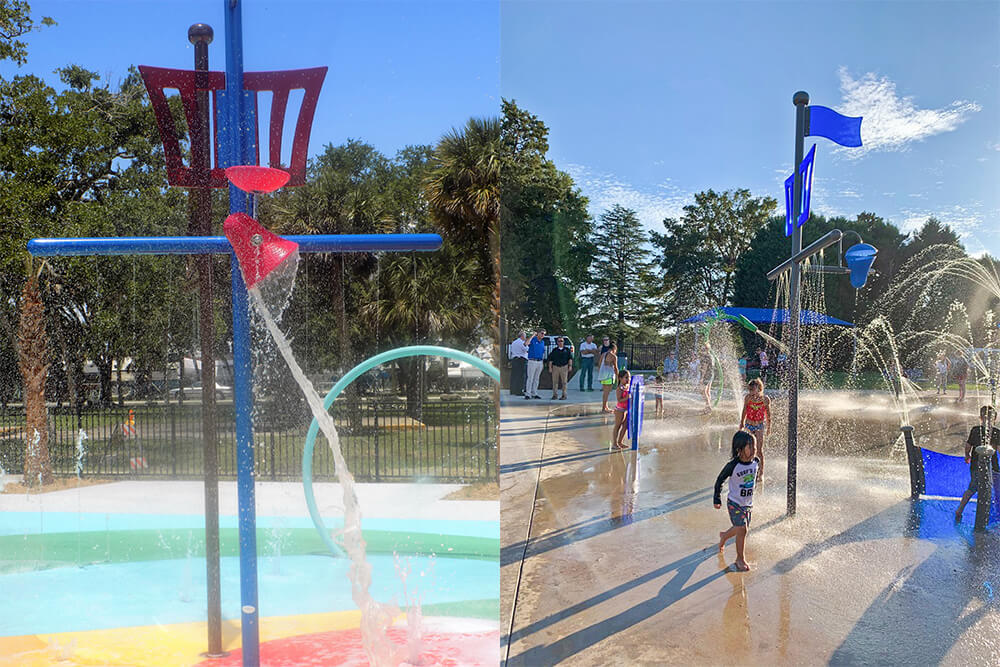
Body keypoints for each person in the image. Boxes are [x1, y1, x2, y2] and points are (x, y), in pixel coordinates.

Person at [714, 431, 759, 572]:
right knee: (742, 529)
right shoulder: (733, 466)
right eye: (749, 447)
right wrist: (717, 498)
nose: (753, 450)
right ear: (739, 450)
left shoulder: (756, 462)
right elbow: (719, 480)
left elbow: (754, 477)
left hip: (747, 504)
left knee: (740, 529)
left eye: (754, 447)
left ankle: (724, 537)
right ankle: (739, 559)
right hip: (734, 502)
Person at [955, 405, 1000, 521]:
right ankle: (994, 513)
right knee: (995, 488)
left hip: (976, 465)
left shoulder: (975, 430)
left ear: (980, 418)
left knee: (972, 488)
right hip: (992, 467)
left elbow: (968, 446)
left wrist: (967, 456)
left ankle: (960, 510)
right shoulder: (996, 432)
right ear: (995, 418)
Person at [738, 378, 771, 480]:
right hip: (748, 425)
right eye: (750, 390)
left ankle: (761, 473)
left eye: (753, 390)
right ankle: (746, 470)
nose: (752, 393)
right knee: (745, 449)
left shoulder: (765, 399)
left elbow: (768, 415)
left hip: (759, 426)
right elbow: (744, 410)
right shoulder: (748, 398)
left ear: (759, 388)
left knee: (759, 451)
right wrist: (742, 423)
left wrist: (769, 427)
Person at [612, 368, 631, 449]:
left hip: (626, 409)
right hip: (620, 410)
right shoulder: (619, 388)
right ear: (620, 378)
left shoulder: (627, 386)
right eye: (626, 377)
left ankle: (620, 442)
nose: (628, 379)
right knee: (618, 426)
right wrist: (627, 397)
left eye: (629, 377)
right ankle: (614, 443)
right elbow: (619, 400)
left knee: (625, 426)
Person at [525, 329, 546, 400]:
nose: (543, 335)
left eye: (544, 334)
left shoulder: (542, 342)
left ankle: (534, 393)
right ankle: (528, 393)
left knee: (536, 378)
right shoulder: (533, 340)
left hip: (540, 361)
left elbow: (543, 352)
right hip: (532, 361)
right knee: (530, 378)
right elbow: (526, 343)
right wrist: (533, 335)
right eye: (542, 333)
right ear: (538, 333)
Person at [598, 342, 618, 413]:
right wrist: (618, 376)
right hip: (609, 376)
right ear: (614, 349)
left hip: (603, 375)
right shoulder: (614, 356)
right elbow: (615, 368)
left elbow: (599, 364)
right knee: (607, 392)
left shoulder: (603, 354)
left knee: (605, 392)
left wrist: (600, 373)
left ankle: (605, 406)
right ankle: (604, 408)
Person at [508, 331, 528, 396]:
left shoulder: (514, 342)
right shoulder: (522, 343)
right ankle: (519, 391)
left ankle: (513, 390)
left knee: (514, 376)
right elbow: (526, 349)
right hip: (521, 360)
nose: (525, 337)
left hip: (514, 359)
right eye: (525, 336)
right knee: (521, 376)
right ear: (522, 336)